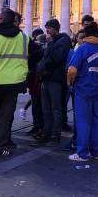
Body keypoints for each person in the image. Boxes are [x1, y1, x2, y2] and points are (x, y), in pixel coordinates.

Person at [0, 9, 42, 156]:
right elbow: (39, 53)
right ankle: (0, 147)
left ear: (1, 20)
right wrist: (25, 67)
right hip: (14, 83)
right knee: (5, 117)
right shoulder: (24, 38)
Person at [67, 23, 98, 161]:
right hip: (97, 90)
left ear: (86, 35)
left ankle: (82, 153)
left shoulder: (82, 49)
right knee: (96, 121)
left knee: (83, 121)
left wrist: (70, 82)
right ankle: (96, 152)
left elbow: (72, 70)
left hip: (82, 89)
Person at [34, 19, 71, 147]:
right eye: (46, 28)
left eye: (49, 28)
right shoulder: (50, 41)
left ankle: (56, 135)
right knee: (46, 109)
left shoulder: (64, 40)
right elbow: (45, 57)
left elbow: (58, 58)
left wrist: (50, 44)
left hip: (55, 80)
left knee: (56, 109)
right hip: (46, 79)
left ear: (55, 28)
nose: (47, 31)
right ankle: (46, 133)